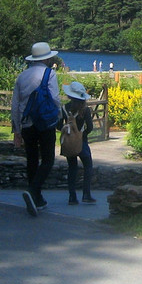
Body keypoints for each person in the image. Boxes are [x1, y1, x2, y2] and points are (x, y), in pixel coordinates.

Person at [12, 41, 62, 216]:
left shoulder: (22, 76)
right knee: (48, 159)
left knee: (31, 159)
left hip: (27, 123)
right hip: (45, 122)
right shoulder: (50, 74)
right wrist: (59, 116)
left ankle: (37, 198)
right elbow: (55, 98)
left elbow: (15, 104)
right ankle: (33, 190)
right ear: (47, 59)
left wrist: (16, 129)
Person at [61, 80, 96, 204]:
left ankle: (72, 196)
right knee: (88, 166)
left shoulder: (64, 108)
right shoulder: (85, 110)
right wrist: (82, 135)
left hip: (69, 141)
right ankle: (86, 194)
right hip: (81, 142)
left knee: (72, 168)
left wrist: (66, 131)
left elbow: (58, 125)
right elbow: (90, 127)